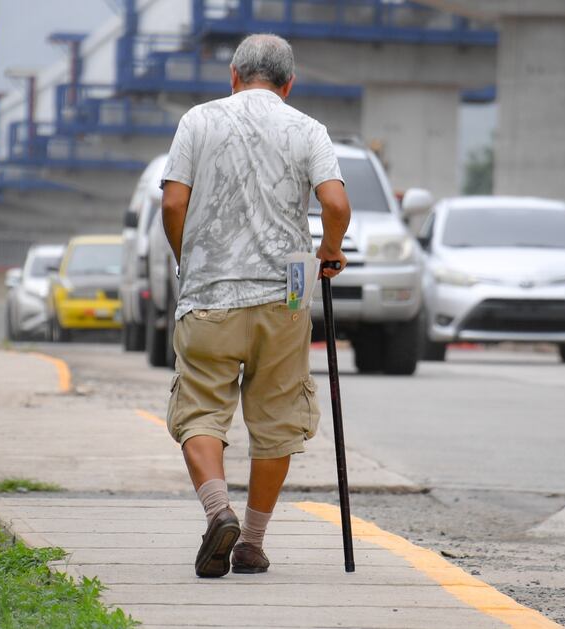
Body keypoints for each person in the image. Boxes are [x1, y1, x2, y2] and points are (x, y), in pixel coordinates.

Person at [160, 33, 351, 578]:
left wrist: (186, 257)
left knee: (200, 409)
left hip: (210, 292)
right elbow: (335, 202)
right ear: (288, 85)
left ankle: (218, 512)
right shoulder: (308, 129)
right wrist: (328, 251)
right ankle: (252, 542)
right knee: (277, 419)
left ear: (233, 75)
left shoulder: (197, 120)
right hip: (284, 294)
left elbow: (174, 201)